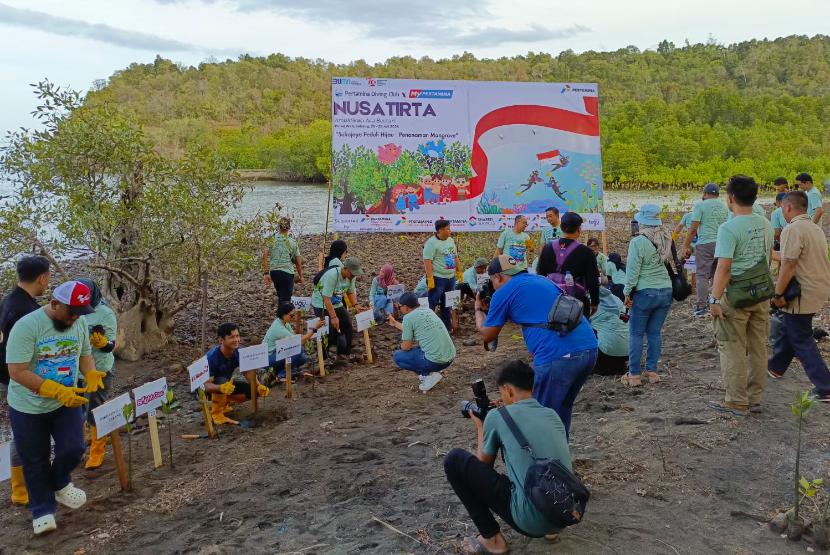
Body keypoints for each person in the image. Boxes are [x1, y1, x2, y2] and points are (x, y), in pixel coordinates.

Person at [443, 360, 572, 553]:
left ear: (508, 390)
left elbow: (481, 466)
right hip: (563, 513)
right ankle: (550, 532)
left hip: (529, 521)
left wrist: (481, 427)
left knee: (454, 460)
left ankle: (493, 541)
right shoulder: (551, 414)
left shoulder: (498, 417)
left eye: (502, 392)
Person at [6, 280, 103, 535]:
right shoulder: (27, 327)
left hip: (66, 400)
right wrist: (52, 388)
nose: (74, 319)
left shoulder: (79, 322)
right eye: (71, 312)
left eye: (80, 313)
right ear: (55, 303)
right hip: (28, 406)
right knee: (34, 458)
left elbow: (84, 354)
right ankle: (42, 510)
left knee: (74, 448)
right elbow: (16, 371)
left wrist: (91, 373)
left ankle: (60, 482)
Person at [476, 255, 598, 437]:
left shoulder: (504, 291)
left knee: (540, 415)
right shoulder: (540, 280)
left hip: (558, 356)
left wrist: (478, 309)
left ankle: (546, 460)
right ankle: (559, 456)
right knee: (560, 410)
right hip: (589, 349)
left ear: (497, 277)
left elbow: (488, 334)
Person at [708, 175, 773, 416]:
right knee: (758, 347)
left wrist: (714, 299)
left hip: (736, 296)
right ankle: (754, 397)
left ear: (731, 198)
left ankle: (736, 400)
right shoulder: (765, 223)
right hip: (761, 294)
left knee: (732, 347)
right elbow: (766, 259)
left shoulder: (728, 228)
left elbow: (723, 268)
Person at [768, 191, 830, 401]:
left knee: (801, 337)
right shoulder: (815, 228)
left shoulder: (792, 229)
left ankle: (825, 387)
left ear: (787, 207)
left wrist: (777, 293)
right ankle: (775, 367)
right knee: (790, 328)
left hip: (801, 290)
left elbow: (789, 264)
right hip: (818, 286)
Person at [0, 255, 50, 507]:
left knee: (25, 430)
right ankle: (21, 489)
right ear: (42, 278)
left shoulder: (10, 301)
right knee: (25, 431)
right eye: (48, 277)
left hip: (9, 375)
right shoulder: (26, 310)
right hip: (19, 378)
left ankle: (24, 485)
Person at [620, 204, 673, 387]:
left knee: (635, 334)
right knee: (654, 333)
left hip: (645, 292)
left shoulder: (638, 241)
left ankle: (634, 374)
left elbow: (632, 272)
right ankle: (651, 372)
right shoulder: (666, 236)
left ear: (641, 221)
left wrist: (627, 293)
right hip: (666, 290)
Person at [76, 278, 117, 470]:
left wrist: (102, 343)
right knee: (76, 410)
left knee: (95, 408)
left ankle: (97, 451)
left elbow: (111, 346)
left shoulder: (105, 313)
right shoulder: (73, 308)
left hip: (100, 368)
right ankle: (80, 447)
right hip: (76, 370)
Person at [387, 292, 456, 392]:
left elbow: (406, 347)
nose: (399, 309)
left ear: (405, 307)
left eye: (399, 307)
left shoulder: (408, 318)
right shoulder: (428, 311)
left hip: (437, 362)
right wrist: (395, 324)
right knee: (419, 349)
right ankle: (429, 373)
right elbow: (414, 329)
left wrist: (400, 346)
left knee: (398, 356)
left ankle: (427, 376)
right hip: (450, 357)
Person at [205, 323, 270, 425]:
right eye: (232, 337)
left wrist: (258, 386)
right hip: (208, 390)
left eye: (237, 336)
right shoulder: (212, 358)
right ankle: (216, 413)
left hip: (226, 384)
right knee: (221, 380)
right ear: (221, 340)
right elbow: (206, 385)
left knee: (253, 391)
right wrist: (220, 388)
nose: (236, 340)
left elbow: (247, 372)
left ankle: (224, 403)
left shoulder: (237, 352)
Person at [536, 212, 600, 316]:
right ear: (579, 229)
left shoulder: (547, 248)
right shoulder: (586, 252)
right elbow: (593, 280)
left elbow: (540, 274)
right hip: (577, 303)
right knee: (577, 331)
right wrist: (594, 302)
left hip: (551, 300)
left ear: (561, 227)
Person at [684, 183, 729, 316]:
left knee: (702, 275)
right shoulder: (724, 206)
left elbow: (693, 229)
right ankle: (715, 302)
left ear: (704, 194)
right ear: (718, 195)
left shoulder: (700, 205)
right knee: (716, 274)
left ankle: (701, 307)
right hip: (722, 243)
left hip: (705, 244)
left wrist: (686, 245)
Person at [311, 257, 365, 363]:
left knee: (348, 326)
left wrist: (356, 304)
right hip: (321, 303)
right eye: (352, 273)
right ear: (345, 268)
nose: (353, 276)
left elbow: (350, 291)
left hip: (337, 303)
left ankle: (343, 354)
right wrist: (334, 317)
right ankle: (323, 357)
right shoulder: (333, 275)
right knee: (328, 330)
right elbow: (326, 298)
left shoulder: (351, 277)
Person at [423, 219, 463, 331]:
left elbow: (455, 256)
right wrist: (430, 278)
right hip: (438, 278)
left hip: (450, 278)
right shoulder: (431, 243)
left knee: (447, 303)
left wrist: (459, 271)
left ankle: (447, 328)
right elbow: (427, 261)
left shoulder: (450, 240)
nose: (450, 231)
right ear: (440, 230)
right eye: (448, 229)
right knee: (433, 302)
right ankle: (428, 328)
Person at [263, 217, 304, 308]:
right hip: (287, 272)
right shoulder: (292, 242)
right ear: (289, 228)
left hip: (274, 272)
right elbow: (297, 262)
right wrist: (301, 276)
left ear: (279, 227)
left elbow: (265, 254)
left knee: (281, 295)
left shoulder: (271, 239)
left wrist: (266, 272)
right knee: (286, 299)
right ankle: (282, 318)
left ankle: (282, 317)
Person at [590, 287, 630, 375]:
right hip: (629, 350)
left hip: (607, 352)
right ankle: (618, 365)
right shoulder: (615, 297)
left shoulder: (589, 303)